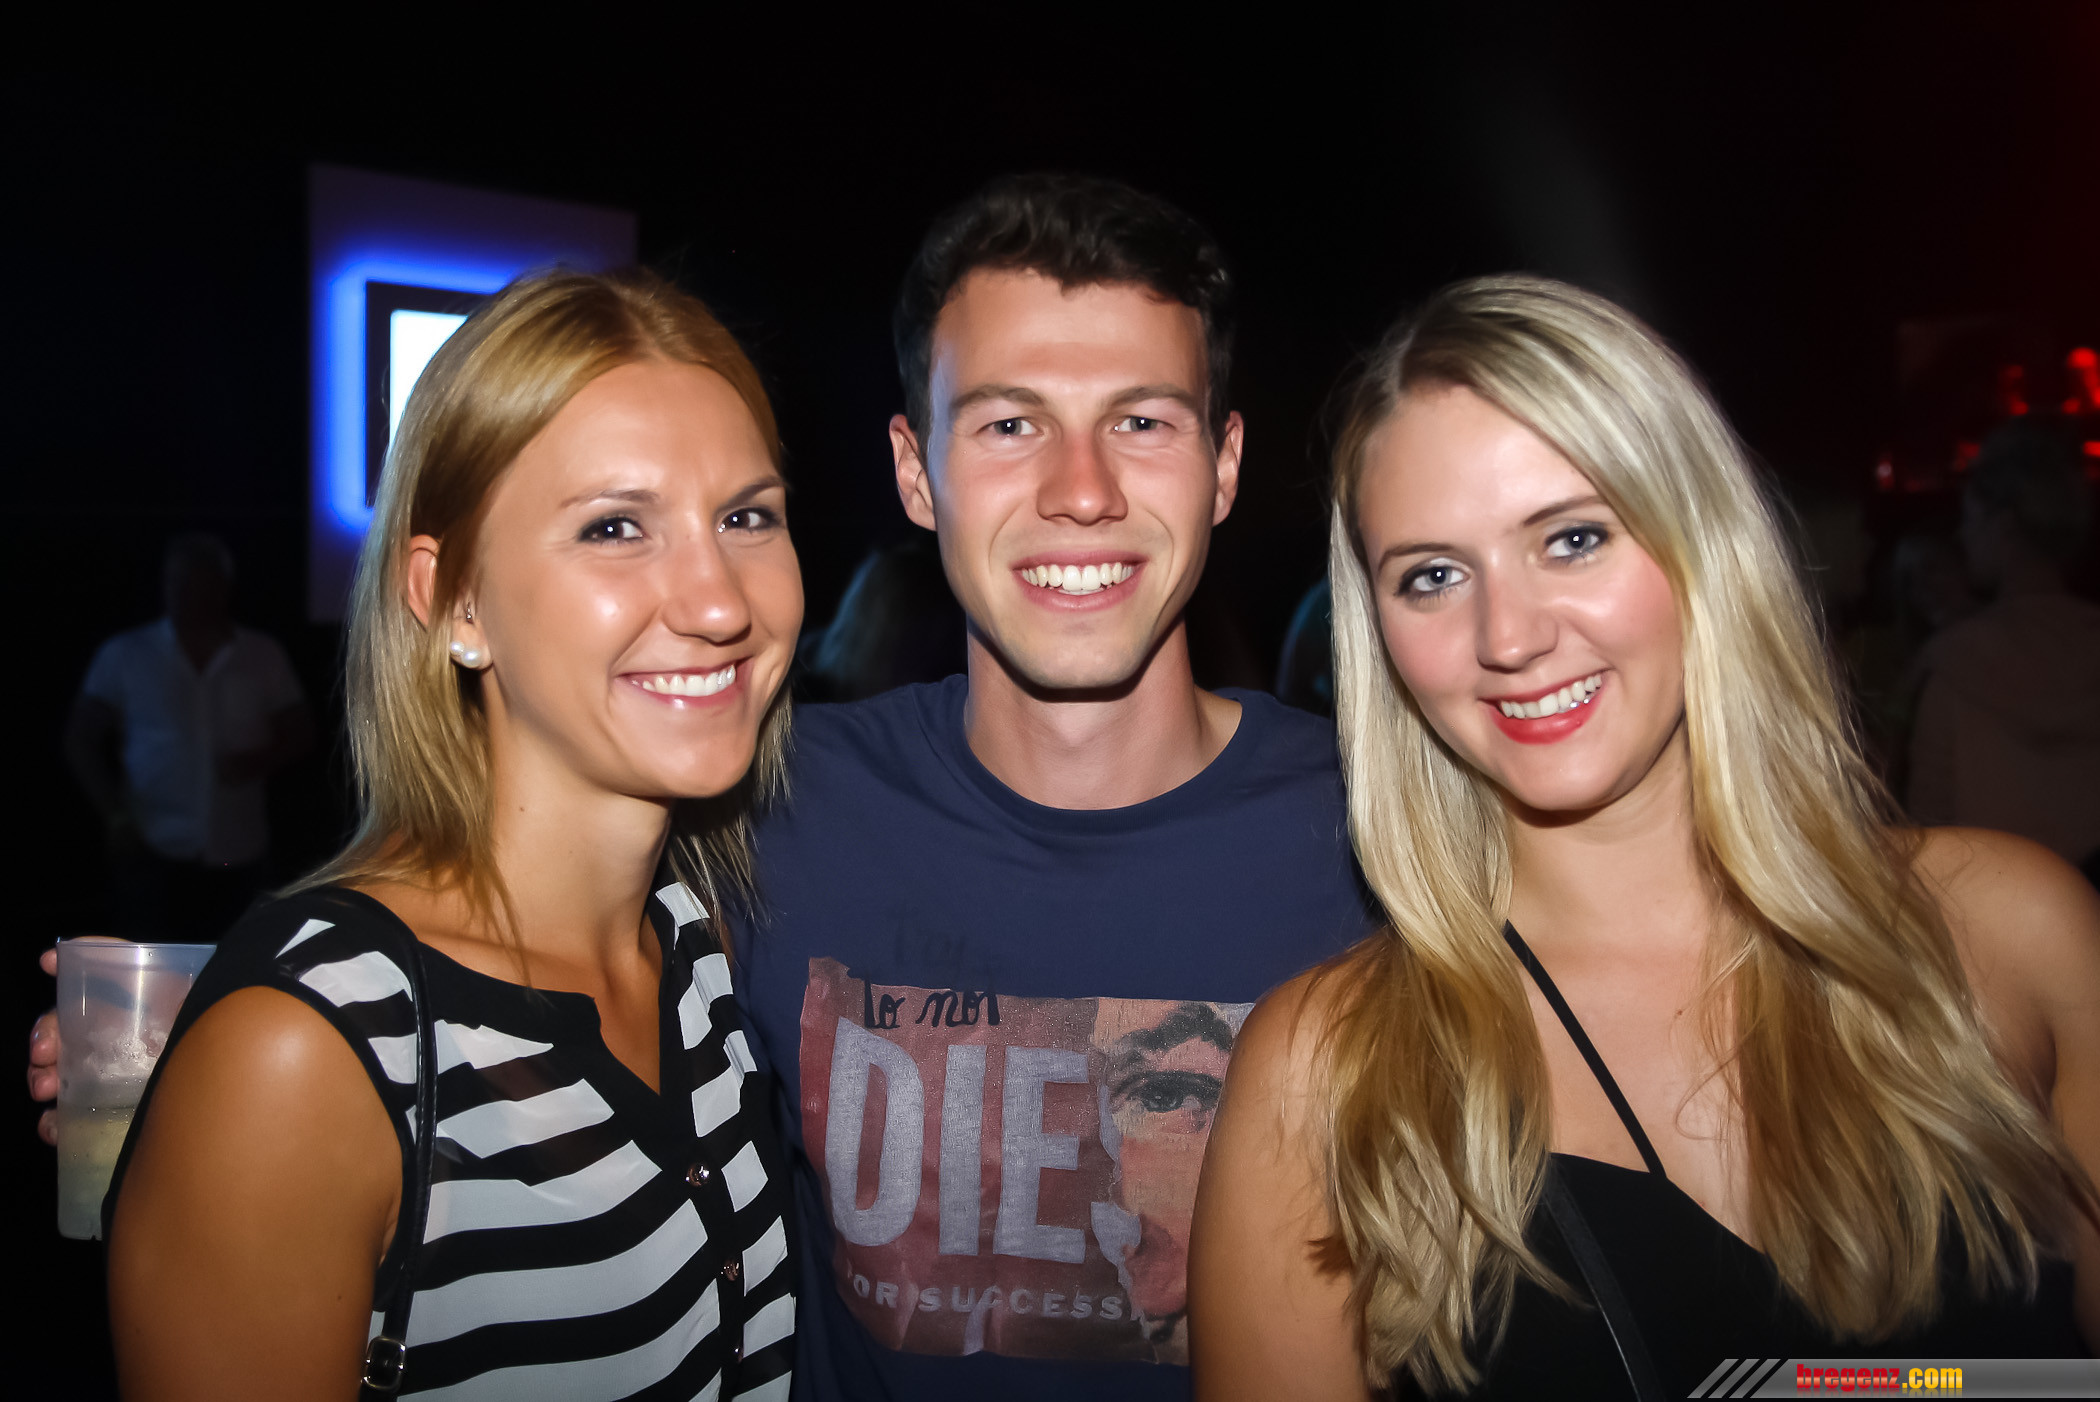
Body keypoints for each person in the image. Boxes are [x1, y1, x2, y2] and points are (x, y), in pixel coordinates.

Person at [1191, 277, 2100, 1399]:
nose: (1508, 636)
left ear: (1700, 543)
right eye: (1433, 576)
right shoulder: (1328, 1073)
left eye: (1573, 539)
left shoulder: (2014, 935)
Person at [96, 270, 802, 1400]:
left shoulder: (700, 946)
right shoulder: (312, 1054)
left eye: (746, 516)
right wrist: (246, 1068)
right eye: (615, 527)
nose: (721, 602)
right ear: (453, 599)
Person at [732, 174, 1375, 1400]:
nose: (1083, 490)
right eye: (1008, 425)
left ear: (1224, 464)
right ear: (917, 473)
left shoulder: (1388, 837)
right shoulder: (769, 812)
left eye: (1143, 421)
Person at [65, 532, 313, 939]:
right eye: (176, 582)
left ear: (222, 587)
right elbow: (81, 737)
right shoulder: (127, 653)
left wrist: (258, 760)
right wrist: (113, 813)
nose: (184, 594)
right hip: (150, 848)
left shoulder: (261, 653)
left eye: (197, 583)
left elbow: (301, 730)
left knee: (235, 962)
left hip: (238, 850)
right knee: (147, 961)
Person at [1908, 416, 2100, 876]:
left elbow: (1925, 835)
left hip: (1993, 910)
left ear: (2005, 525)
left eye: (1969, 518)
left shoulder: (1953, 663)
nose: (1961, 535)